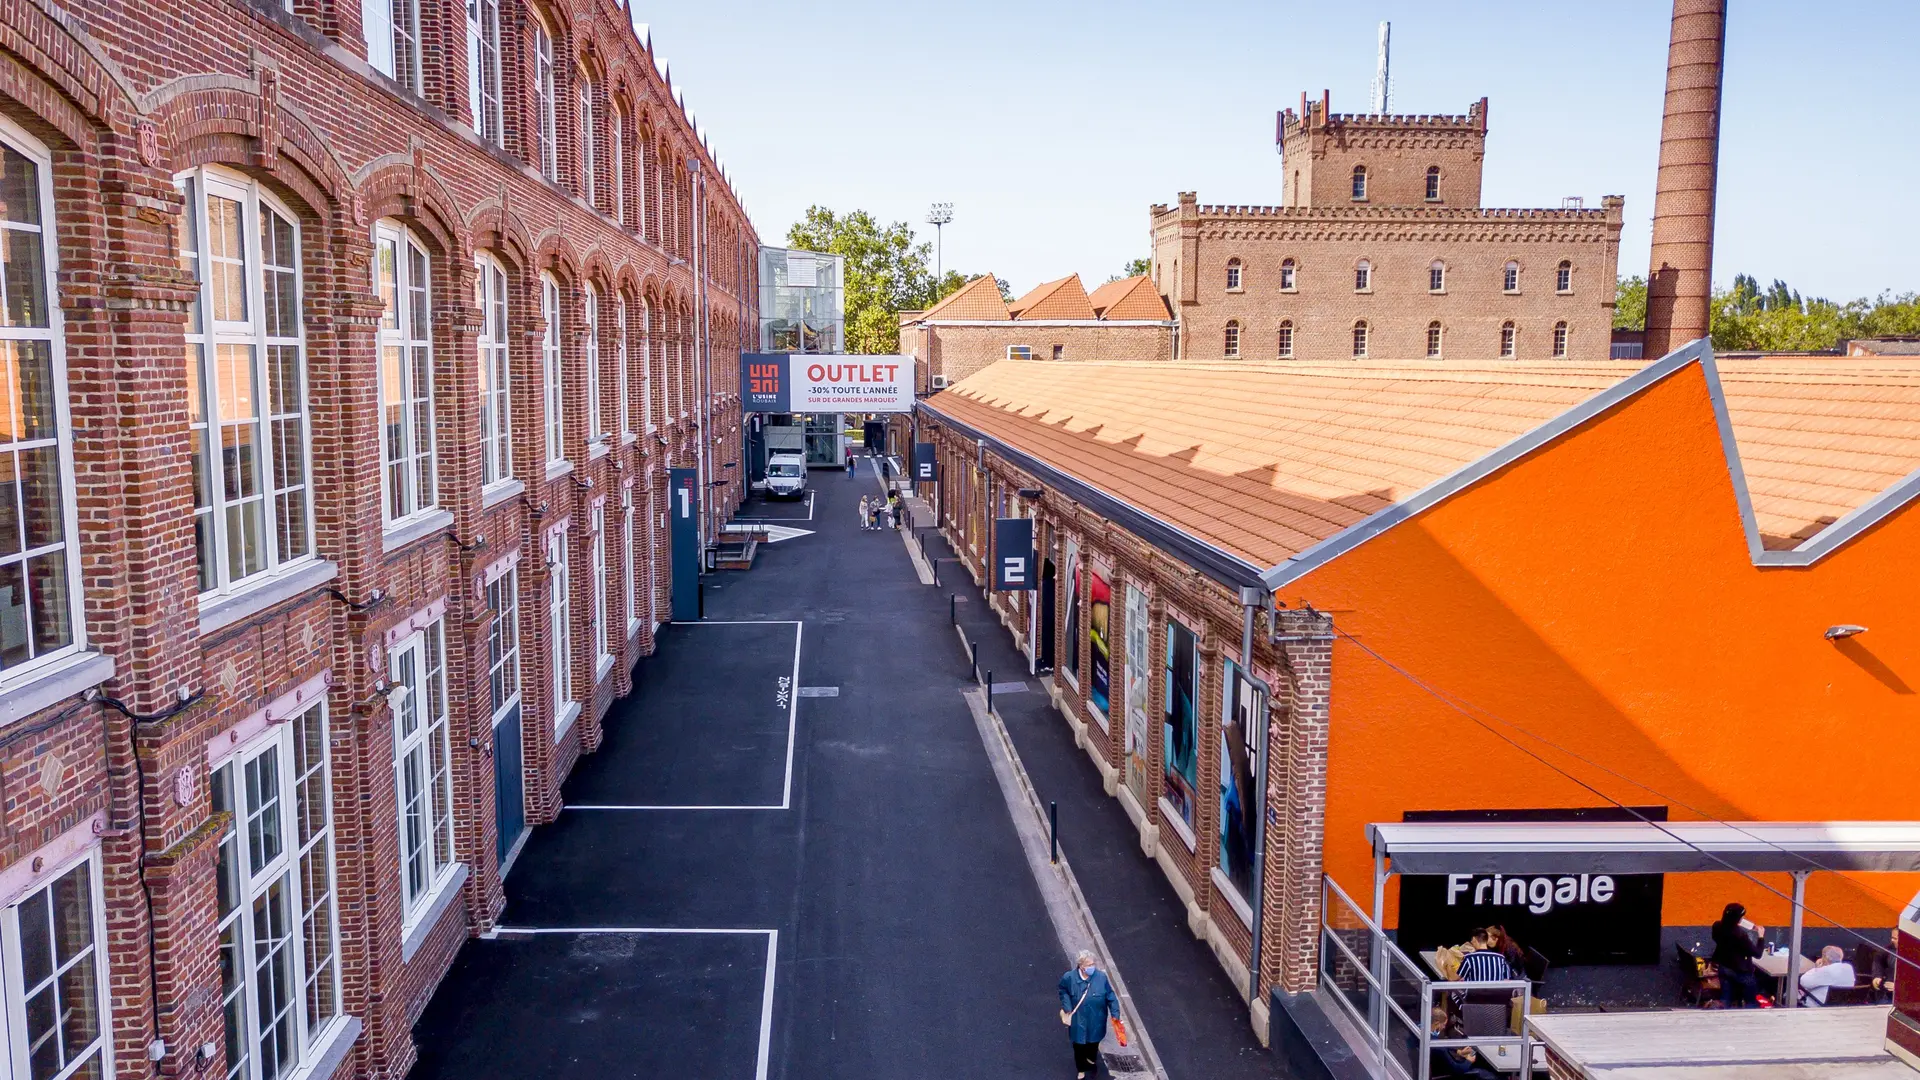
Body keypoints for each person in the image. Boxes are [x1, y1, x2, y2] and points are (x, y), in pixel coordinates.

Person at [1058, 950, 1119, 1079]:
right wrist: (1067, 1006)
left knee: (1093, 1044)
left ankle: (1091, 1061)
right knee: (1079, 1046)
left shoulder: (1101, 977)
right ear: (1081, 966)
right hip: (1078, 1020)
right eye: (1089, 964)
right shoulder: (1069, 978)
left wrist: (1115, 1014)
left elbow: (1110, 996)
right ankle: (1081, 1069)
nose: (1092, 967)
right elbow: (1063, 990)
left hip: (1096, 1020)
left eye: (1093, 964)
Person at [1711, 902, 1766, 1008]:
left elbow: (1731, 922)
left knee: (1725, 999)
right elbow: (1757, 954)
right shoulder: (1740, 935)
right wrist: (1761, 937)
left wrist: (1751, 926)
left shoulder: (1717, 926)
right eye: (1741, 917)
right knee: (1751, 1002)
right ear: (1738, 919)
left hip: (1724, 967)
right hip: (1741, 972)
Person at [1428, 1005, 1499, 1079]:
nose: (1444, 1027)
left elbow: (1441, 1044)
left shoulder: (1423, 1034)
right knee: (1491, 1076)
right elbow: (1458, 1069)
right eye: (1444, 1025)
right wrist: (1469, 1060)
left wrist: (1459, 1052)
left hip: (1440, 1067)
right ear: (1437, 1024)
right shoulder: (1438, 1048)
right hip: (1450, 1073)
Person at [1870, 929, 1899, 1001]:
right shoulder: (1889, 949)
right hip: (1887, 996)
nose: (1892, 940)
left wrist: (1899, 988)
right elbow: (1878, 960)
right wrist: (1877, 976)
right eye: (1892, 937)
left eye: (1895, 938)